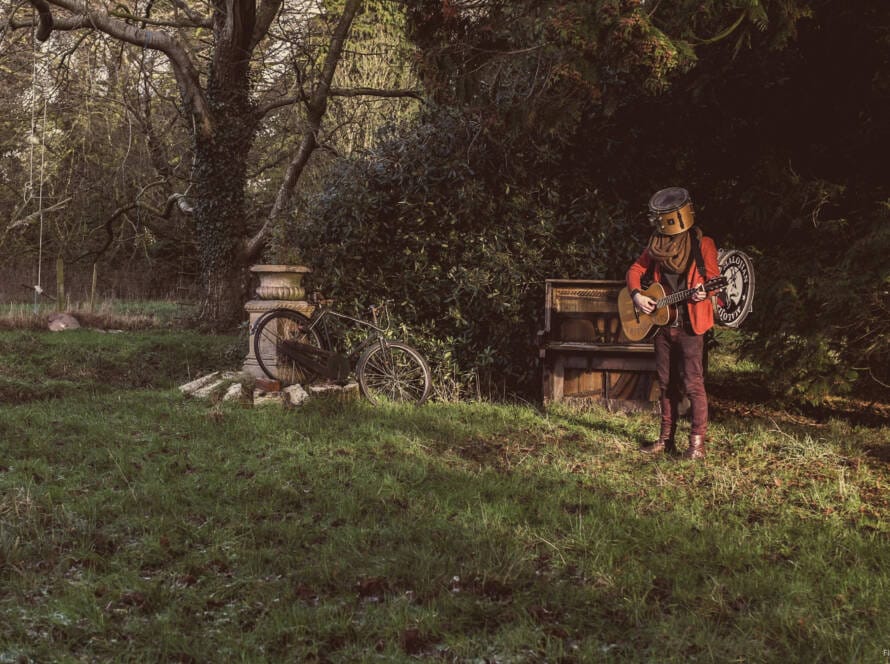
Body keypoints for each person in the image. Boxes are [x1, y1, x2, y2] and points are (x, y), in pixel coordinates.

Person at [625, 187, 720, 459]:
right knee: (666, 384)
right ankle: (666, 440)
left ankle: (696, 446)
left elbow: (713, 281)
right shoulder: (657, 244)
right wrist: (637, 296)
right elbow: (635, 270)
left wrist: (706, 291)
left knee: (693, 384)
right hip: (662, 326)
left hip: (690, 326)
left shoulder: (704, 244)